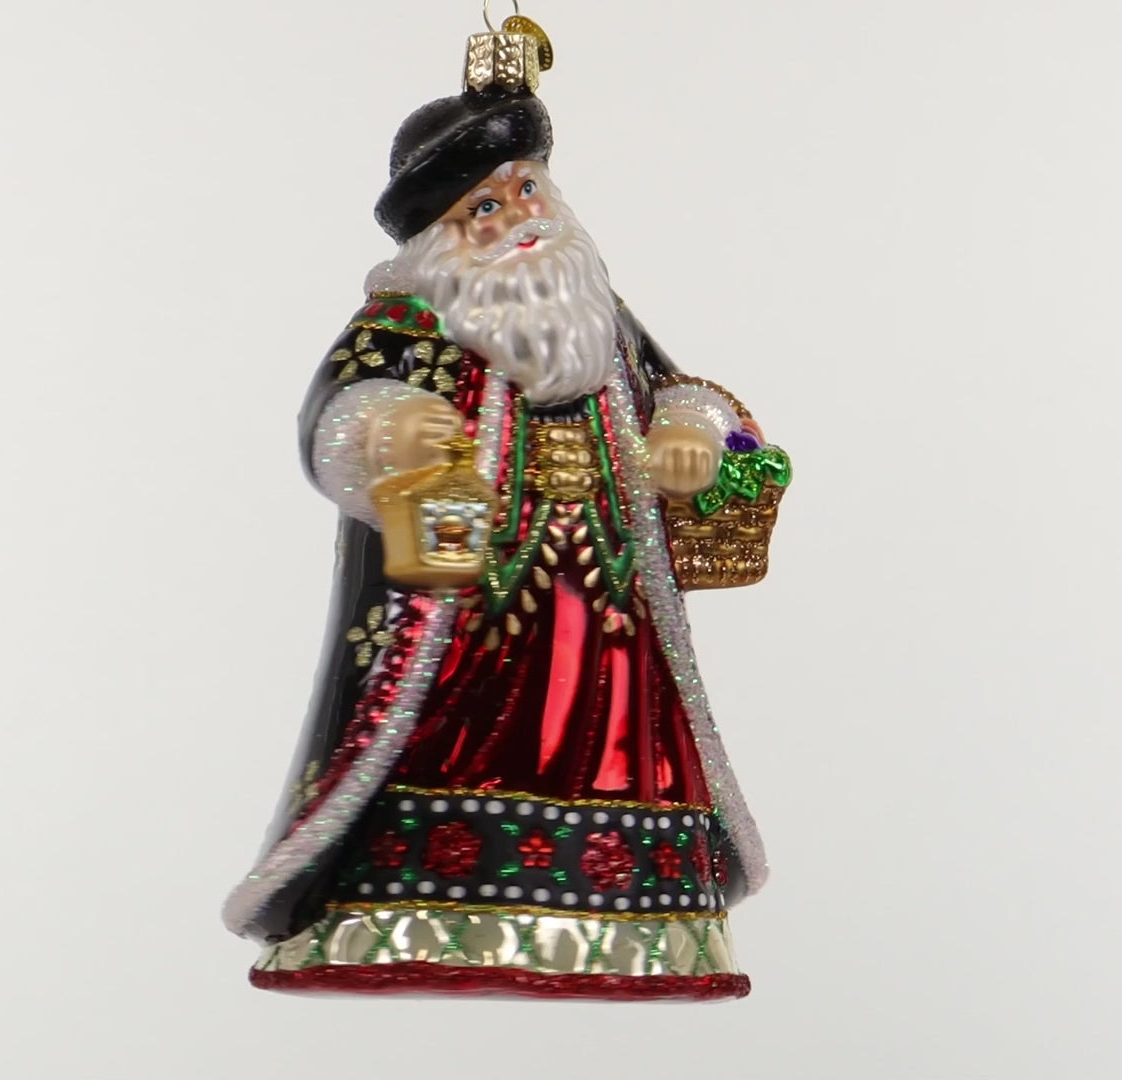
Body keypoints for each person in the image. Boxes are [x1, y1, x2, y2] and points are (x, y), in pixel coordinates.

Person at [222, 56, 783, 1001]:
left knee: (619, 732)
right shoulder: (407, 322)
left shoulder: (600, 320)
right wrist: (391, 426)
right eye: (484, 206)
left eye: (526, 191)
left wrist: (688, 430)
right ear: (439, 235)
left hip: (610, 601)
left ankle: (629, 912)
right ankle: (410, 901)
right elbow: (338, 411)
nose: (516, 216)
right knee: (437, 725)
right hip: (462, 598)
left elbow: (687, 392)